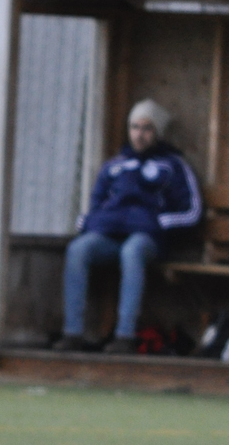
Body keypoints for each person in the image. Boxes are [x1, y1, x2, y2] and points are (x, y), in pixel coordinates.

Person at [54, 99, 202, 354]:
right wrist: (89, 223)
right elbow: (95, 204)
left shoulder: (173, 166)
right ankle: (72, 332)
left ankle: (125, 336)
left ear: (158, 132)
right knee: (78, 249)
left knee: (131, 252)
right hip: (110, 235)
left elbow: (192, 211)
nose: (139, 134)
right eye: (134, 127)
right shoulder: (114, 165)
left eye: (147, 128)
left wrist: (158, 223)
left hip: (147, 238)